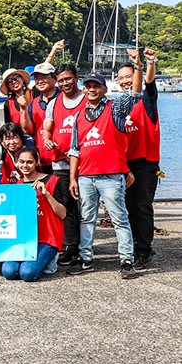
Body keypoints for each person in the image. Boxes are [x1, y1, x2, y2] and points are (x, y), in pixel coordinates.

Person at [68, 62, 143, 280]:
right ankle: (86, 259)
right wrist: (73, 178)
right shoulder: (79, 117)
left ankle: (126, 260)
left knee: (119, 218)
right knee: (86, 219)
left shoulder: (116, 108)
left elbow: (136, 94)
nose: (92, 89)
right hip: (85, 177)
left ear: (104, 89)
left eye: (96, 86)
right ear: (84, 88)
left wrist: (138, 67)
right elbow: (75, 150)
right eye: (88, 85)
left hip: (111, 175)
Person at [116, 49, 160, 269]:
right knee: (126, 207)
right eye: (121, 78)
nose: (125, 81)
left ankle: (144, 250)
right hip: (123, 164)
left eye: (129, 76)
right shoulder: (117, 106)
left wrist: (147, 63)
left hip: (144, 163)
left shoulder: (146, 100)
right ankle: (131, 246)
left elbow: (150, 83)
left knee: (142, 206)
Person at [42, 63, 87, 266]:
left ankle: (87, 247)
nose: (65, 83)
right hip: (60, 163)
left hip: (86, 163)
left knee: (86, 207)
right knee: (66, 206)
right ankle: (71, 246)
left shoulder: (87, 99)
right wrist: (47, 140)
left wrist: (78, 155)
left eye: (68, 78)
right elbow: (47, 130)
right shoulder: (54, 103)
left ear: (76, 77)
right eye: (61, 80)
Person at [2, 147, 66, 282]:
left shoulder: (52, 181)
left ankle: (51, 259)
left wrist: (47, 194)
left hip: (47, 238)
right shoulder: (17, 185)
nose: (25, 166)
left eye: (29, 162)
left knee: (27, 273)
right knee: (8, 271)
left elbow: (63, 214)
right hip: (25, 239)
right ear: (17, 163)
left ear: (37, 162)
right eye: (22, 162)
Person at [28, 62, 61, 173]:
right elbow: (29, 130)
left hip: (64, 160)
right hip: (43, 160)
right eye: (37, 78)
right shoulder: (33, 104)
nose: (40, 81)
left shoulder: (65, 99)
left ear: (54, 78)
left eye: (45, 77)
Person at [0, 68, 34, 134]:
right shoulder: (8, 104)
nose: (13, 82)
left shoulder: (35, 93)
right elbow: (8, 127)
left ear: (22, 79)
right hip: (20, 140)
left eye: (15, 77)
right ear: (8, 87)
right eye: (9, 81)